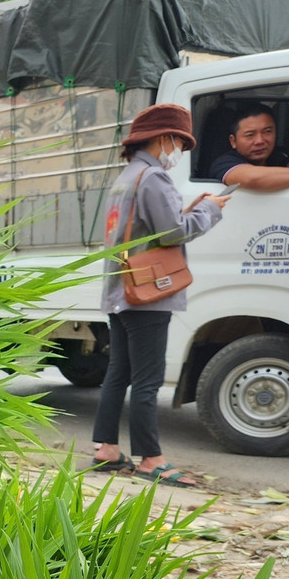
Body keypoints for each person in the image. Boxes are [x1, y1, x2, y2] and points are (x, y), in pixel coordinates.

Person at [91, 103, 231, 487]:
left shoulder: (127, 176)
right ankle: (151, 459)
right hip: (148, 293)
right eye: (180, 144)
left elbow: (145, 229)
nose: (179, 153)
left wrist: (190, 210)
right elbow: (172, 233)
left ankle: (106, 449)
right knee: (148, 380)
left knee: (118, 373)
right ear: (164, 138)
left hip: (120, 290)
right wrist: (210, 211)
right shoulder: (153, 178)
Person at [209, 102, 289, 192]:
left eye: (267, 131)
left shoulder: (281, 155)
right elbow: (253, 179)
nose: (260, 141)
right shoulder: (224, 163)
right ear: (233, 141)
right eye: (250, 135)